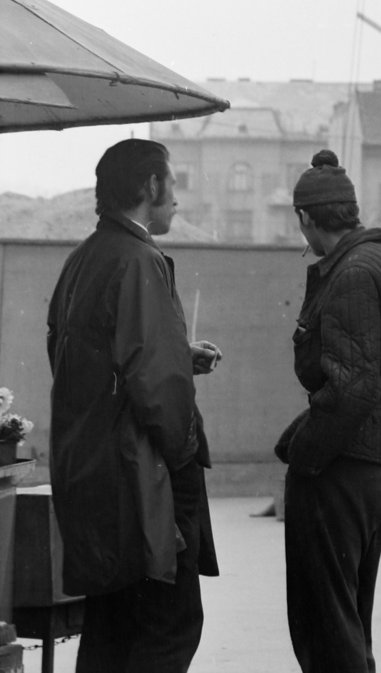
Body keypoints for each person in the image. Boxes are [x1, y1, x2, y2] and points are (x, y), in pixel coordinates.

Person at [47, 138, 222, 673]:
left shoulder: (84, 258)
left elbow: (76, 355)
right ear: (150, 186)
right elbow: (160, 395)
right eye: (172, 186)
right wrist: (187, 455)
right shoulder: (140, 259)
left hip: (91, 472)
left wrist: (174, 354)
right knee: (167, 629)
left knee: (109, 631)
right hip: (144, 481)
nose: (177, 201)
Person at [275, 150, 381, 673]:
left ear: (305, 218)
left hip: (337, 468)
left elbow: (351, 389)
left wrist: (305, 456)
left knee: (325, 624)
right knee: (351, 617)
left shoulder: (349, 275)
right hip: (377, 466)